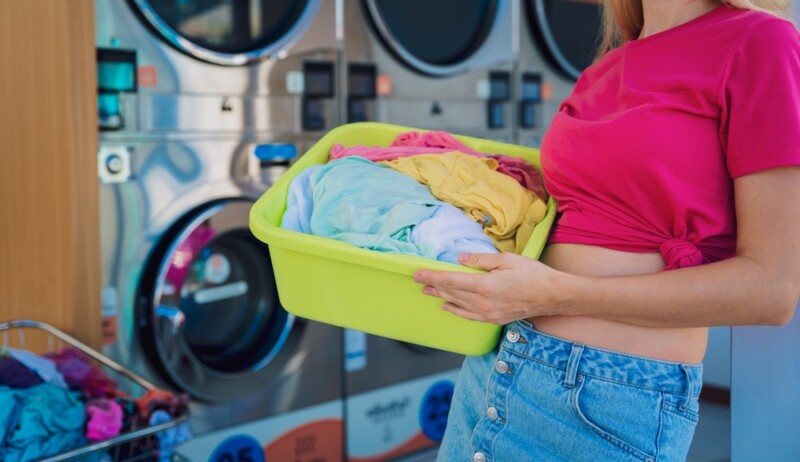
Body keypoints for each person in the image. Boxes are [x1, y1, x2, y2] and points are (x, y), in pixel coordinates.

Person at [414, 0, 800, 460]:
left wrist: (557, 296)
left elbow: (771, 290)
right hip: (495, 364)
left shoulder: (761, 42)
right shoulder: (606, 65)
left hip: (607, 396)